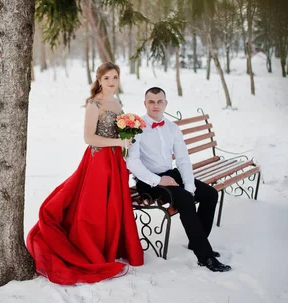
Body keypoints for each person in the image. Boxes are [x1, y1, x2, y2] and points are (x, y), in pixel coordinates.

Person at [26, 62, 144, 285]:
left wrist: (128, 137)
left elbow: (120, 132)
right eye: (107, 78)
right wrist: (119, 141)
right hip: (99, 161)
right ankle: (92, 248)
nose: (111, 82)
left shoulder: (117, 102)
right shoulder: (94, 104)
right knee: (96, 208)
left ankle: (112, 245)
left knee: (114, 206)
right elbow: (89, 138)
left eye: (115, 78)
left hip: (116, 162)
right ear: (99, 80)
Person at [126, 87, 232, 272]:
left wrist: (189, 185)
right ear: (145, 104)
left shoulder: (172, 128)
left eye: (160, 101)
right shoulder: (137, 129)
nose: (156, 105)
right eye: (151, 101)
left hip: (170, 174)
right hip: (148, 181)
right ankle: (205, 256)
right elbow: (132, 163)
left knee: (210, 194)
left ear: (166, 103)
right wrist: (158, 181)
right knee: (184, 199)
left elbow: (182, 159)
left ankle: (197, 242)